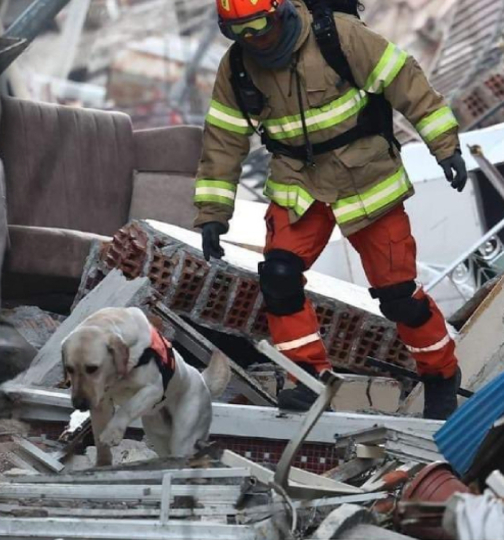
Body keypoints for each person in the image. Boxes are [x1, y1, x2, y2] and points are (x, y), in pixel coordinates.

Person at [195, 0, 468, 419]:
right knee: (279, 277)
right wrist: (213, 212)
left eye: (259, 26)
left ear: (281, 12)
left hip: (366, 179)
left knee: (398, 297)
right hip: (299, 184)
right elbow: (223, 140)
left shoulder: (339, 37)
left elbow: (407, 83)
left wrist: (445, 147)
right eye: (239, 32)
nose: (253, 39)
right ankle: (307, 378)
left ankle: (440, 375)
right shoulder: (237, 68)